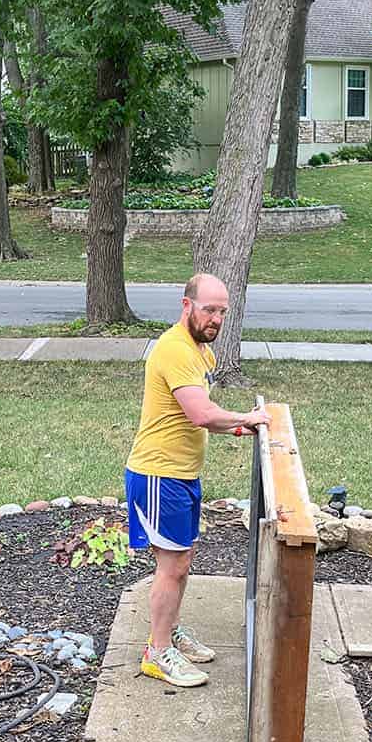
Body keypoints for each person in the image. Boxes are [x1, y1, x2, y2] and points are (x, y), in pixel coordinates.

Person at [125, 273, 270, 687]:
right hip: (158, 475)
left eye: (223, 311)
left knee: (181, 564)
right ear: (186, 305)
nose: (216, 319)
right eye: (210, 309)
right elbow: (201, 414)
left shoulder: (200, 350)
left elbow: (201, 411)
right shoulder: (175, 350)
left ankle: (169, 633)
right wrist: (246, 417)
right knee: (171, 567)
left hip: (181, 474)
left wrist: (238, 428)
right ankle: (157, 652)